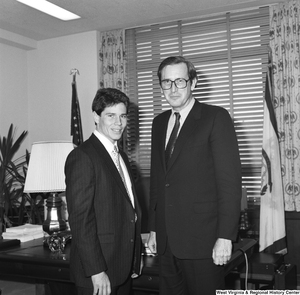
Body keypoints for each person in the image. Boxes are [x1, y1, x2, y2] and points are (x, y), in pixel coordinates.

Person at [147, 56, 242, 294]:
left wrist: (225, 237)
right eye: (166, 82)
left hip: (204, 240)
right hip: (167, 241)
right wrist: (154, 229)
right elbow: (159, 181)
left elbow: (229, 183)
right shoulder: (158, 123)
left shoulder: (215, 118)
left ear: (194, 82)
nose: (173, 88)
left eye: (180, 81)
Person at [65, 88, 142, 295]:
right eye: (111, 116)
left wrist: (135, 258)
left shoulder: (122, 157)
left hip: (122, 267)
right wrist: (97, 271)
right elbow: (81, 220)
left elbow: (129, 210)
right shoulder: (83, 157)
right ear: (96, 117)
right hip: (98, 273)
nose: (119, 123)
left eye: (123, 116)